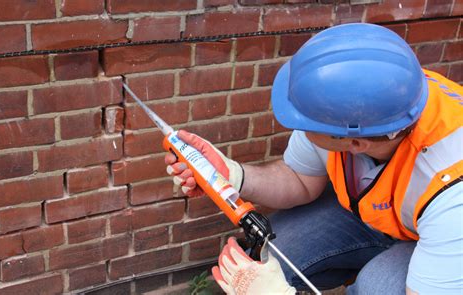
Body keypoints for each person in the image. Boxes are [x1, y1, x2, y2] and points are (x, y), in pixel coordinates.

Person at [164, 23, 462, 294]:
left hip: (449, 243)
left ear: (354, 142)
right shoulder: (365, 102)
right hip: (389, 221)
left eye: (307, 123)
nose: (300, 127)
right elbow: (299, 179)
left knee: (375, 286)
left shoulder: (452, 195)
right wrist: (233, 175)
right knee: (276, 254)